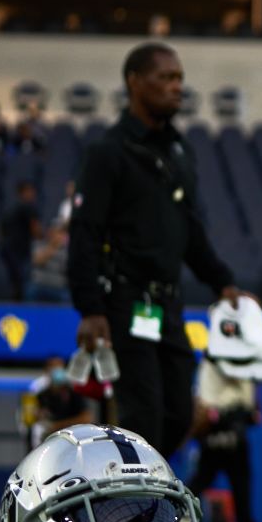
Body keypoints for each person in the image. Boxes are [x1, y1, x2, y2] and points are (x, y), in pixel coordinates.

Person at [67, 42, 245, 458]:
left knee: (181, 414)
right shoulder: (108, 151)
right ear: (134, 82)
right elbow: (85, 232)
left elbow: (190, 228)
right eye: (165, 78)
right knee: (141, 415)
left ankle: (140, 492)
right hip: (125, 302)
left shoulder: (179, 151)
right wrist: (90, 309)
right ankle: (133, 511)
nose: (176, 87)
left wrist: (223, 282)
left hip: (168, 306)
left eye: (179, 78)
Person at [187, 359, 262, 522]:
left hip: (236, 424)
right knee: (202, 479)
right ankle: (180, 520)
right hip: (216, 422)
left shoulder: (246, 359)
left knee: (240, 482)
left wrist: (251, 409)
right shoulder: (214, 361)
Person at [0, 180, 43, 301]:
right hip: (20, 252)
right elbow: (36, 230)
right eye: (30, 191)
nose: (33, 193)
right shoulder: (28, 207)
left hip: (7, 251)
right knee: (23, 282)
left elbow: (0, 232)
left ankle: (16, 304)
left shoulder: (9, 209)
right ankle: (23, 308)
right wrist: (48, 237)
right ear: (23, 192)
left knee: (16, 283)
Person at [26, 220, 71, 303]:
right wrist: (53, 246)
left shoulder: (66, 250)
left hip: (59, 288)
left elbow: (68, 269)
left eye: (62, 232)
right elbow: (37, 261)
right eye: (57, 231)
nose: (59, 235)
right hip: (39, 286)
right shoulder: (39, 244)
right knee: (31, 290)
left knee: (68, 296)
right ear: (50, 232)